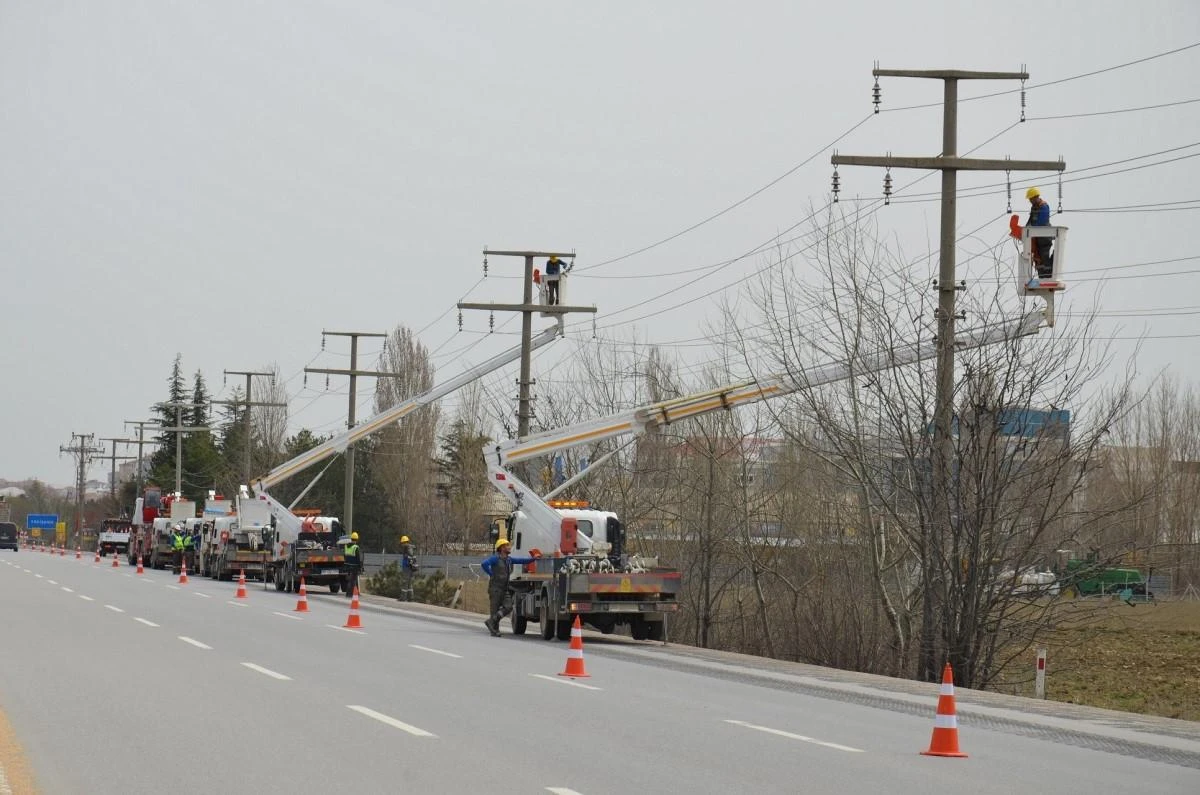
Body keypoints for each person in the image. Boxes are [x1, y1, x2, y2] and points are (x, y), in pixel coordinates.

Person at [481, 539, 535, 637]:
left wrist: (533, 559)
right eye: (507, 546)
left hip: (504, 589)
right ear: (501, 548)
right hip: (495, 589)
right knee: (494, 610)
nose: (509, 547)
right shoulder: (495, 558)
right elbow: (484, 564)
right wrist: (491, 574)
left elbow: (521, 560)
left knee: (509, 607)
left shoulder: (509, 559)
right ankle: (494, 631)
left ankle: (491, 621)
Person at [1026, 187, 1054, 278]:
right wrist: (1025, 229)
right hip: (1037, 236)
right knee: (1037, 257)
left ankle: (1048, 275)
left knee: (1044, 255)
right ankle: (1042, 275)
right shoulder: (1034, 207)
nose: (1030, 200)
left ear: (1036, 197)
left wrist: (1031, 229)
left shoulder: (1044, 206)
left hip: (1045, 237)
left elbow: (1042, 221)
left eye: (1031, 198)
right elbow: (1030, 220)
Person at [398, 534, 417, 602]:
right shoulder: (411, 548)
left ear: (404, 542)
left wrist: (406, 561)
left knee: (405, 582)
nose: (401, 545)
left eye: (402, 543)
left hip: (407, 568)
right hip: (410, 568)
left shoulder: (407, 548)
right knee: (409, 583)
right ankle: (411, 598)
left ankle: (403, 598)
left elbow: (409, 557)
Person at [344, 531, 361, 597]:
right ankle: (349, 593)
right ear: (356, 539)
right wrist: (359, 566)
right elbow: (358, 558)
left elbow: (345, 556)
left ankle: (356, 592)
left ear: (351, 539)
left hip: (347, 565)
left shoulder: (346, 546)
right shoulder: (356, 547)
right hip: (354, 566)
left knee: (350, 579)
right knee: (353, 580)